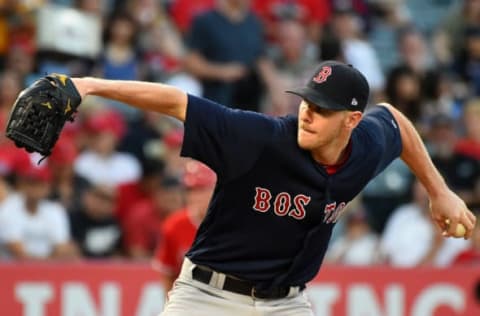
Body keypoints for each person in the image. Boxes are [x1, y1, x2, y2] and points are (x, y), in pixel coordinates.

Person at [69, 60, 476, 315]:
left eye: (321, 109)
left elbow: (393, 120)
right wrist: (89, 86)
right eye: (306, 102)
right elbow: (178, 102)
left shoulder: (366, 146)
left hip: (287, 303)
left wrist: (438, 190)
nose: (307, 114)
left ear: (351, 121)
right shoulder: (260, 138)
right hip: (210, 297)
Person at [152, 160, 217, 292]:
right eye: (191, 190)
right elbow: (167, 271)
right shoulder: (175, 225)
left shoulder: (232, 223)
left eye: (202, 189)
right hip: (188, 298)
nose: (195, 196)